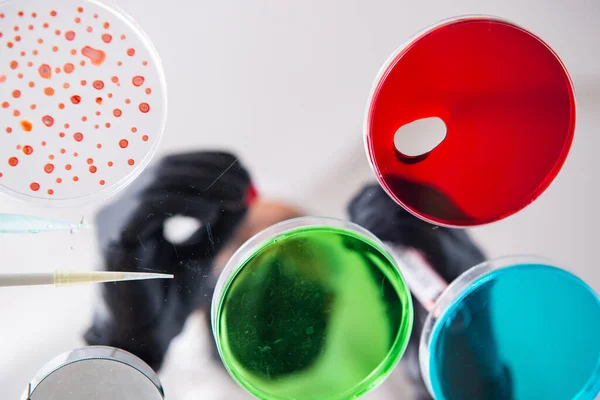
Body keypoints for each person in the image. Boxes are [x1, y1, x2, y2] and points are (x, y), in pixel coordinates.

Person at [85, 151, 510, 399]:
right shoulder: (181, 390)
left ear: (336, 265)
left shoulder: (392, 372)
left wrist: (472, 380)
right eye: (243, 241)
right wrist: (119, 362)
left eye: (294, 237)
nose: (271, 253)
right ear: (199, 286)